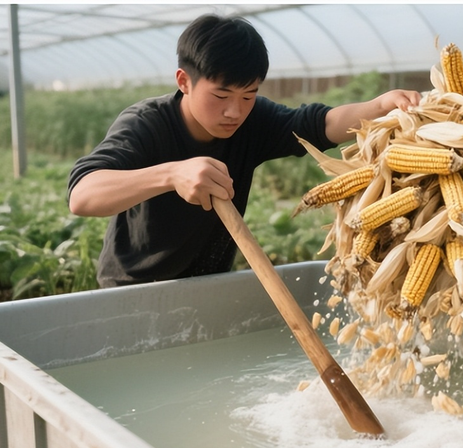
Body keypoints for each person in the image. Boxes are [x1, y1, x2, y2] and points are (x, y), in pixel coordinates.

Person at [68, 14, 420, 288]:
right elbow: (82, 195)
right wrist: (172, 174)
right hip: (132, 289)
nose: (235, 111)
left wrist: (378, 106)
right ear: (183, 81)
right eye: (221, 96)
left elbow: (319, 124)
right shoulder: (146, 125)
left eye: (248, 95)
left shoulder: (253, 121)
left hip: (207, 285)